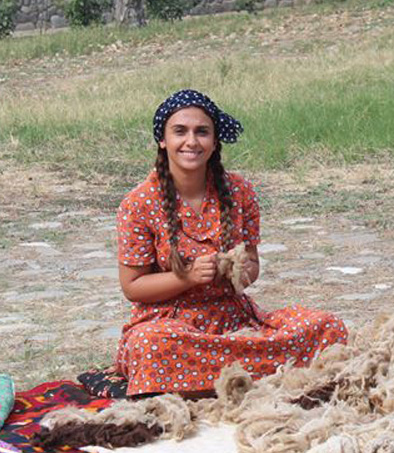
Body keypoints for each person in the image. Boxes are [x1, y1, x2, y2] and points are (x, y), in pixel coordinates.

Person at [115, 89, 348, 396]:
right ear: (163, 140)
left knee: (328, 327)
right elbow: (133, 286)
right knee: (150, 346)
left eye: (202, 132)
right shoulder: (139, 203)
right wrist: (185, 277)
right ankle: (253, 375)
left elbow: (252, 268)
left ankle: (209, 380)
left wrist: (240, 270)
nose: (192, 142)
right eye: (180, 132)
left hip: (235, 321)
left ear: (214, 142)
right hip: (170, 324)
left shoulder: (239, 191)